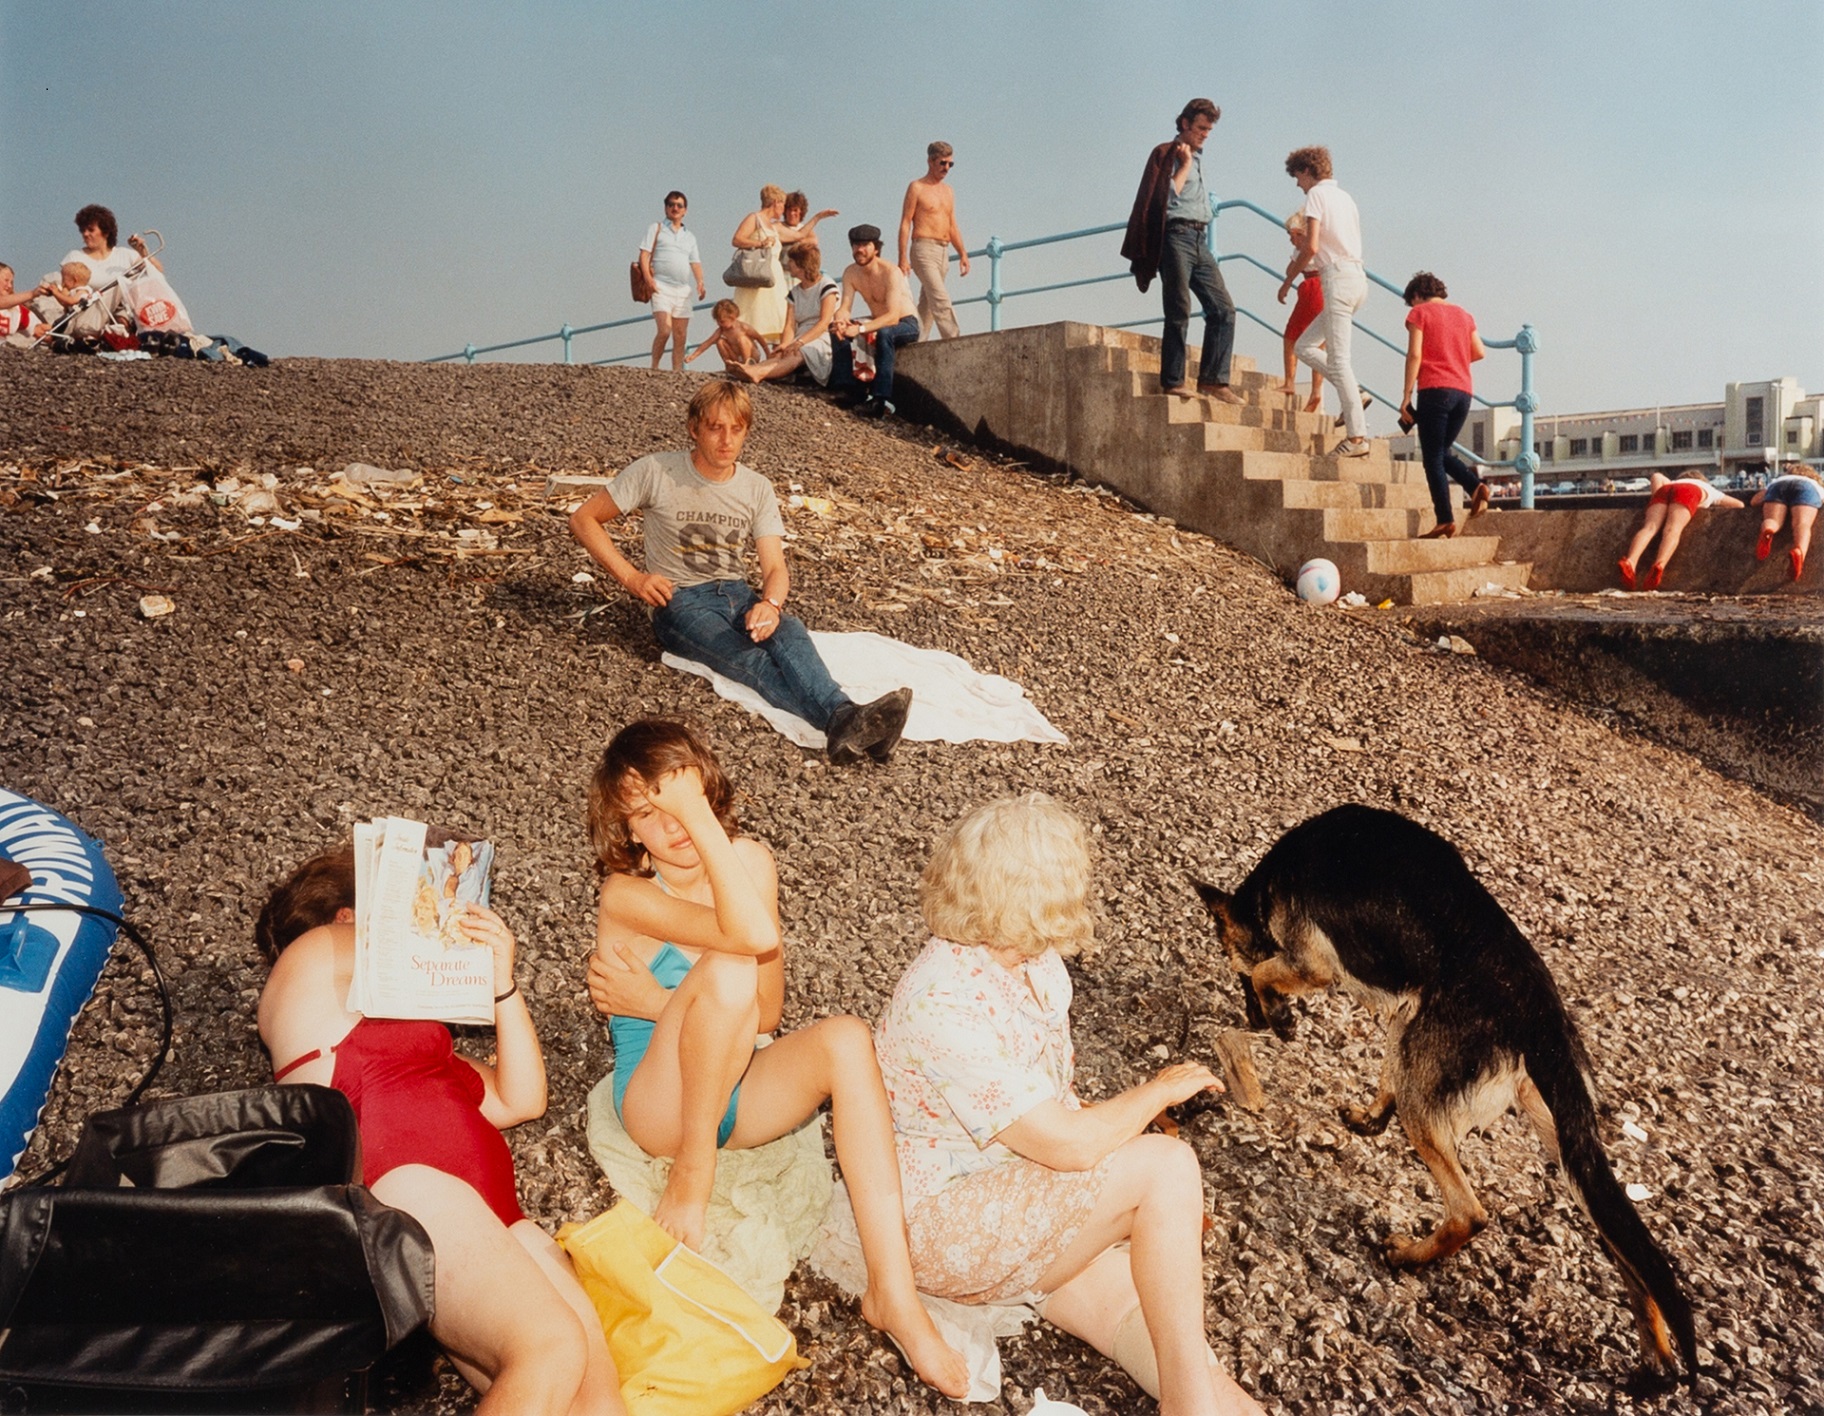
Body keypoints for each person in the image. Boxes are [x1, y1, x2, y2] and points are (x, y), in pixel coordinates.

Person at [583, 719, 969, 1399]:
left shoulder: (751, 863)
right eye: (648, 814)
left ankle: (894, 1294)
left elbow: (765, 1014)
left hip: (735, 1080)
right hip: (659, 1104)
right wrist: (671, 1009)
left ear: (707, 789)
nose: (672, 826)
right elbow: (746, 943)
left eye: (681, 800)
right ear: (629, 832)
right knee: (731, 964)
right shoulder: (627, 894)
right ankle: (693, 1174)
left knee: (847, 1038)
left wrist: (654, 999)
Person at [875, 794, 1266, 1416]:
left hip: (1020, 1193)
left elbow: (1055, 1103)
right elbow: (1067, 1144)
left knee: (1191, 1360)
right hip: (948, 1221)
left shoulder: (1034, 964)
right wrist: (1157, 1091)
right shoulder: (942, 1001)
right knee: (1167, 1168)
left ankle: (1196, 1400)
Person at [255, 850, 625, 1416]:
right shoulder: (312, 960)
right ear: (351, 914)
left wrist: (503, 986)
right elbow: (401, 945)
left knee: (598, 1402)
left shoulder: (424, 1047)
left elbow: (522, 1098)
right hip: (405, 1192)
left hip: (493, 1218)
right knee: (550, 1348)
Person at [568, 380, 913, 763]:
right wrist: (632, 578)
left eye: (736, 429)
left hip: (736, 593)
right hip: (680, 601)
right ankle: (843, 720)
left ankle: (850, 725)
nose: (726, 440)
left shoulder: (755, 487)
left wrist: (770, 604)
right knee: (749, 659)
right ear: (694, 428)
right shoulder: (655, 470)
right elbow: (584, 519)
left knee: (789, 631)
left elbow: (775, 567)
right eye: (715, 428)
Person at [1121, 99, 1242, 405]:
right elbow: (1165, 197)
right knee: (1179, 308)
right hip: (1175, 236)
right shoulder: (1168, 153)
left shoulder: (1198, 157)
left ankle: (1213, 380)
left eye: (1209, 129)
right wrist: (1185, 165)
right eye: (1201, 128)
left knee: (1224, 309)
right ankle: (1173, 381)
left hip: (1199, 239)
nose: (1205, 134)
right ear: (1185, 123)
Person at [1278, 146, 1370, 457]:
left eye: (1297, 177)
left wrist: (1288, 281)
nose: (1297, 184)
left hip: (1337, 280)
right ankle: (1354, 392)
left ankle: (1357, 438)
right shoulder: (1346, 198)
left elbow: (1312, 246)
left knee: (1339, 360)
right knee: (1305, 346)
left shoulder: (1316, 195)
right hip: (1356, 279)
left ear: (1307, 171)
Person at [1398, 271, 1490, 539]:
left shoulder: (1419, 313)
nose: (1412, 306)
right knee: (1440, 452)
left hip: (1434, 390)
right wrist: (1453, 357)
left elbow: (1414, 354)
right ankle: (1476, 487)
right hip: (1463, 392)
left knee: (1431, 458)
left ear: (1417, 295)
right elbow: (1479, 351)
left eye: (1411, 301)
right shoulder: (1464, 315)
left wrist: (1406, 395)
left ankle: (1445, 520)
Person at [827, 224, 921, 418]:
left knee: (885, 334)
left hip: (905, 323)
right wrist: (841, 320)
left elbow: (893, 316)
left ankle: (879, 400)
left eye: (865, 245)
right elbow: (845, 307)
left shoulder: (890, 272)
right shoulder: (851, 272)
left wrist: (861, 328)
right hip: (877, 320)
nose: (859, 250)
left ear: (876, 248)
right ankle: (850, 391)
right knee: (836, 329)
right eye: (855, 245)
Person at [729, 243, 841, 387]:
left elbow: (824, 323)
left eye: (791, 261)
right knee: (781, 353)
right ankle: (751, 369)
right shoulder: (794, 292)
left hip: (823, 336)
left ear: (801, 264)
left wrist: (799, 342)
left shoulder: (826, 286)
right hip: (801, 335)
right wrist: (785, 344)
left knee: (799, 352)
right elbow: (789, 325)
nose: (788, 264)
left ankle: (758, 373)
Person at [1618, 469, 1745, 590]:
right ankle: (1659, 565)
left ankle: (1631, 562)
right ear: (1702, 480)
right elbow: (1739, 504)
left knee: (1649, 528)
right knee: (1672, 530)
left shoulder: (1673, 482)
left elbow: (1656, 476)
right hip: (1689, 492)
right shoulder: (1709, 488)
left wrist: (1657, 497)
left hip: (1665, 490)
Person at [897, 141, 969, 341]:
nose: (946, 168)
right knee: (940, 297)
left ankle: (916, 342)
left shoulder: (948, 191)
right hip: (923, 249)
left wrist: (962, 253)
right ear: (930, 161)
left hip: (943, 251)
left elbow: (952, 225)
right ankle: (955, 340)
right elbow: (905, 223)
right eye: (942, 163)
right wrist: (902, 257)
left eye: (950, 164)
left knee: (928, 302)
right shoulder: (917, 187)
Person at [640, 192, 706, 372]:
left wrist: (700, 282)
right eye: (671, 204)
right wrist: (648, 279)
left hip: (682, 289)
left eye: (679, 205)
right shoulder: (656, 228)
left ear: (685, 210)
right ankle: (654, 367)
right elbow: (644, 255)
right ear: (665, 207)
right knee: (664, 330)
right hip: (660, 286)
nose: (675, 208)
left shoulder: (690, 237)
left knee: (680, 335)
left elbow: (695, 262)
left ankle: (677, 371)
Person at [729, 186, 794, 344]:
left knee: (779, 320)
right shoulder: (754, 218)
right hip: (758, 274)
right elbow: (737, 239)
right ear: (776, 202)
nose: (784, 209)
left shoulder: (773, 225)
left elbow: (800, 235)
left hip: (774, 278)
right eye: (783, 204)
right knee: (752, 320)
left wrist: (818, 218)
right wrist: (760, 243)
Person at [1276, 215, 1325, 412]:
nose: (1291, 240)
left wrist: (1288, 282)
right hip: (1325, 287)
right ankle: (1316, 391)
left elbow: (1290, 270)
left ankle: (1290, 381)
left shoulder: (1305, 249)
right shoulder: (1320, 244)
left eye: (1293, 235)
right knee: (1318, 342)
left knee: (1291, 335)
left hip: (1313, 287)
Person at [1748, 464, 1821, 581]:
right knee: (1802, 524)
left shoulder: (1779, 480)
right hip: (1806, 488)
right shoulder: (1814, 483)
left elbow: (1755, 500)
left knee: (1773, 520)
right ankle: (1799, 551)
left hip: (1778, 488)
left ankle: (1768, 530)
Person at [684, 299, 770, 371]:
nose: (719, 324)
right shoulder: (721, 330)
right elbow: (708, 343)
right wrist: (693, 356)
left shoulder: (743, 328)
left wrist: (768, 354)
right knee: (720, 341)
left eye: (722, 321)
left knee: (742, 339)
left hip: (752, 355)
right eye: (717, 321)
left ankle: (747, 364)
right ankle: (729, 365)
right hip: (736, 356)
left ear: (732, 317)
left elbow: (760, 338)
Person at [778, 191, 838, 256]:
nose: (792, 213)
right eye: (789, 210)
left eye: (795, 210)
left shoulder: (805, 229)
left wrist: (797, 241)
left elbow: (814, 241)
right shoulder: (779, 226)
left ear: (801, 212)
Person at [0, 263, 44, 339]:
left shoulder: (17, 310)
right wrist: (32, 294)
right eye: (6, 280)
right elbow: (2, 302)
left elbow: (38, 330)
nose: (10, 286)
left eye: (11, 282)